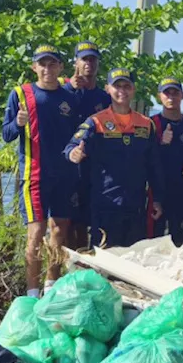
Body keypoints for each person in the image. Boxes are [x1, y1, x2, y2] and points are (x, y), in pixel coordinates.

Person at [2, 44, 82, 297]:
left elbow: (78, 134)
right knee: (35, 234)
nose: (47, 68)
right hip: (34, 175)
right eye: (42, 64)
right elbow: (6, 134)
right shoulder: (21, 94)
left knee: (59, 230)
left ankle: (52, 287)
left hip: (65, 175)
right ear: (34, 67)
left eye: (52, 64)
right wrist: (17, 123)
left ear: (60, 67)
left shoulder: (70, 98)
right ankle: (32, 294)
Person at [63, 69, 164, 248]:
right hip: (105, 204)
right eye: (117, 86)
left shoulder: (146, 124)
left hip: (136, 205)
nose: (122, 91)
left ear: (133, 90)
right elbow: (70, 147)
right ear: (107, 88)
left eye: (127, 86)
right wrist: (74, 154)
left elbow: (154, 166)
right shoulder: (96, 122)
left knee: (133, 261)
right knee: (105, 262)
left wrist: (157, 199)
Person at [63, 41, 110, 249]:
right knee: (66, 226)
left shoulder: (104, 97)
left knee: (91, 224)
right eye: (84, 59)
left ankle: (89, 268)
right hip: (68, 166)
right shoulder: (63, 93)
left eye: (93, 59)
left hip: (96, 169)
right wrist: (69, 88)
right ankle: (67, 272)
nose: (89, 63)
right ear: (76, 63)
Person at [148, 78, 183, 244]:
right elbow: (143, 159)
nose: (171, 96)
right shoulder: (150, 125)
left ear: (182, 96)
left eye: (175, 92)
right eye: (166, 93)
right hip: (157, 196)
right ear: (159, 96)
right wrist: (161, 144)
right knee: (156, 246)